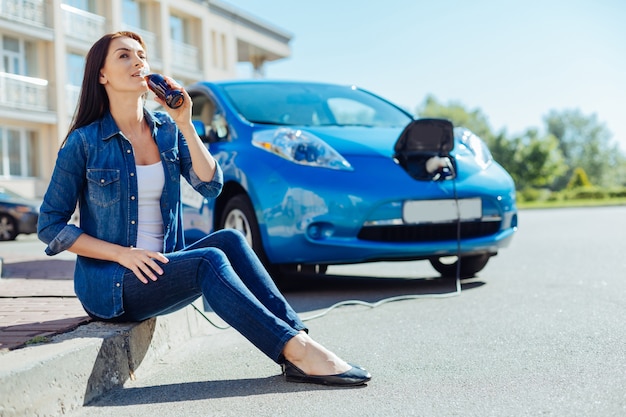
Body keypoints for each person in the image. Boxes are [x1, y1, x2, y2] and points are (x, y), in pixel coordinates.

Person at [37, 31, 370, 387]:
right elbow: (51, 225)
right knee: (208, 260)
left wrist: (184, 123)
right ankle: (297, 352)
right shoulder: (83, 142)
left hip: (164, 269)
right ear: (101, 75)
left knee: (229, 239)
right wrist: (122, 255)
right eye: (124, 56)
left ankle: (298, 338)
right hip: (114, 286)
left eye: (142, 55)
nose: (138, 62)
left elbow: (209, 185)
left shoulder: (166, 129)